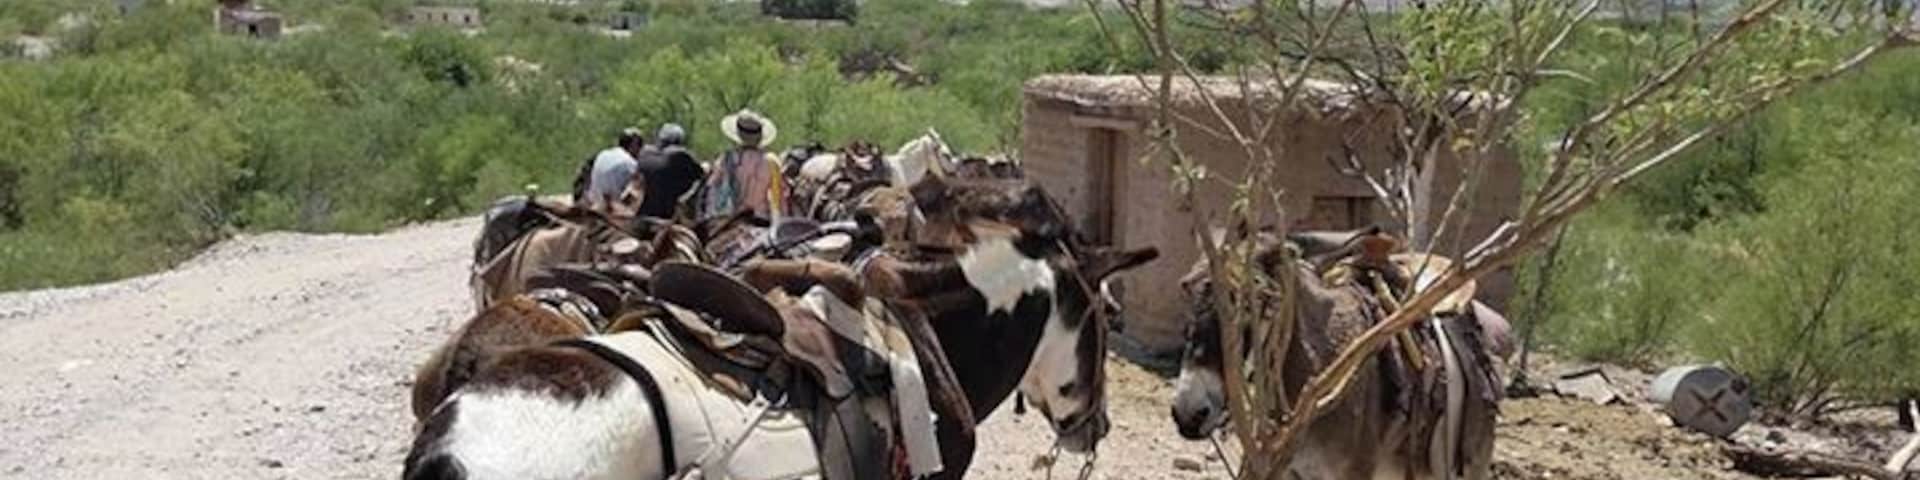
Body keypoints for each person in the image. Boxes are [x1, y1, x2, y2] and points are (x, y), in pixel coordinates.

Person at [701, 110, 787, 220]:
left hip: (731, 218)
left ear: (739, 134)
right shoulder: (772, 162)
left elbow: (713, 191)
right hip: (761, 219)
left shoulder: (726, 159)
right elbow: (778, 200)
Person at [635, 123, 705, 219]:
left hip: (643, 210)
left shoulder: (644, 152)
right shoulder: (681, 154)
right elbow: (702, 175)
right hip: (668, 212)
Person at [572, 128, 646, 212]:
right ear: (633, 146)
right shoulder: (630, 163)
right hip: (612, 208)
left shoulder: (603, 154)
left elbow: (581, 177)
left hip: (593, 202)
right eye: (640, 145)